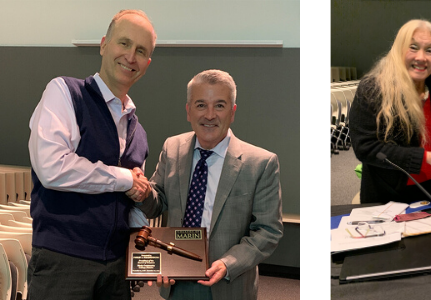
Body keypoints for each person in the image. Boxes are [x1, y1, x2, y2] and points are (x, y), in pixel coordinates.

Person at [27, 9, 156, 300]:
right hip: (63, 262)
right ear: (103, 45)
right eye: (124, 43)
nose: (130, 56)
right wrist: (125, 179)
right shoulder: (65, 93)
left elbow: (131, 208)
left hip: (115, 268)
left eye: (141, 51)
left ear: (147, 64)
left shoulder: (140, 132)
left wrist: (145, 252)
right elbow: (52, 168)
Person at [138, 69, 283, 299]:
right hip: (175, 280)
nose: (209, 115)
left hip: (228, 283)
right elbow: (157, 204)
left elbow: (268, 231)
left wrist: (228, 264)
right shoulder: (172, 148)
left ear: (232, 112)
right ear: (188, 111)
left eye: (219, 105)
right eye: (200, 105)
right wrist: (143, 193)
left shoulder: (261, 163)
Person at [349, 20, 431, 204]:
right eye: (413, 47)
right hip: (388, 199)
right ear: (399, 50)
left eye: (429, 50)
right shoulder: (373, 89)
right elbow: (366, 147)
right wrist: (424, 158)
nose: (421, 57)